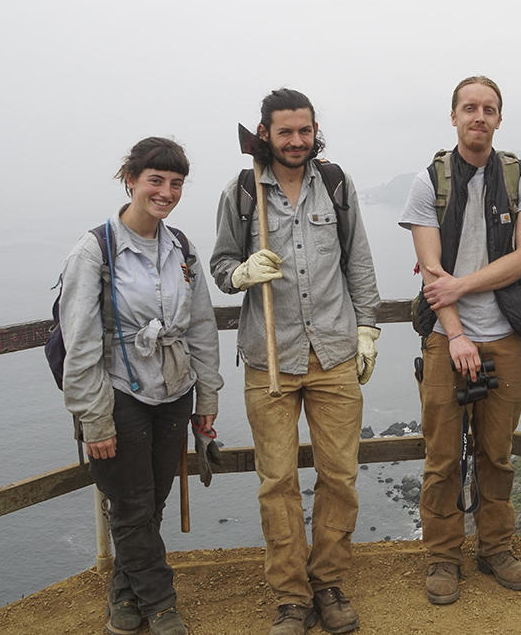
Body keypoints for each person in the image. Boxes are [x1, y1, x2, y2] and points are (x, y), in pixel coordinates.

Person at [211, 88, 380, 635]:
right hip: (269, 361)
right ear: (265, 133)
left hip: (332, 352)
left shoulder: (335, 184)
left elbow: (359, 259)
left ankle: (327, 583)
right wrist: (240, 274)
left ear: (314, 130)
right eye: (285, 132)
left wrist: (369, 327)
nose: (296, 141)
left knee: (340, 475)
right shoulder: (241, 192)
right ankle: (291, 598)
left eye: (304, 130)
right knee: (276, 481)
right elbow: (219, 264)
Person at [59, 137, 223, 635]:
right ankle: (161, 603)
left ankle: (123, 595)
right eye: (156, 180)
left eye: (175, 183)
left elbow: (201, 326)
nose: (166, 192)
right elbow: (81, 342)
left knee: (150, 502)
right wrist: (95, 418)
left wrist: (207, 397)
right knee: (131, 504)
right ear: (130, 180)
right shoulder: (94, 250)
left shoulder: (182, 248)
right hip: (118, 392)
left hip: (175, 390)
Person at [399, 76, 521, 605]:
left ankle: (496, 548)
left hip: (508, 335)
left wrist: (461, 284)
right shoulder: (428, 182)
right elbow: (431, 269)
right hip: (447, 338)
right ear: (454, 116)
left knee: (496, 453)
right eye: (469, 108)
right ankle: (442, 557)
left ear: (499, 118)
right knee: (442, 456)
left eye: (488, 109)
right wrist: (458, 332)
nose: (478, 116)